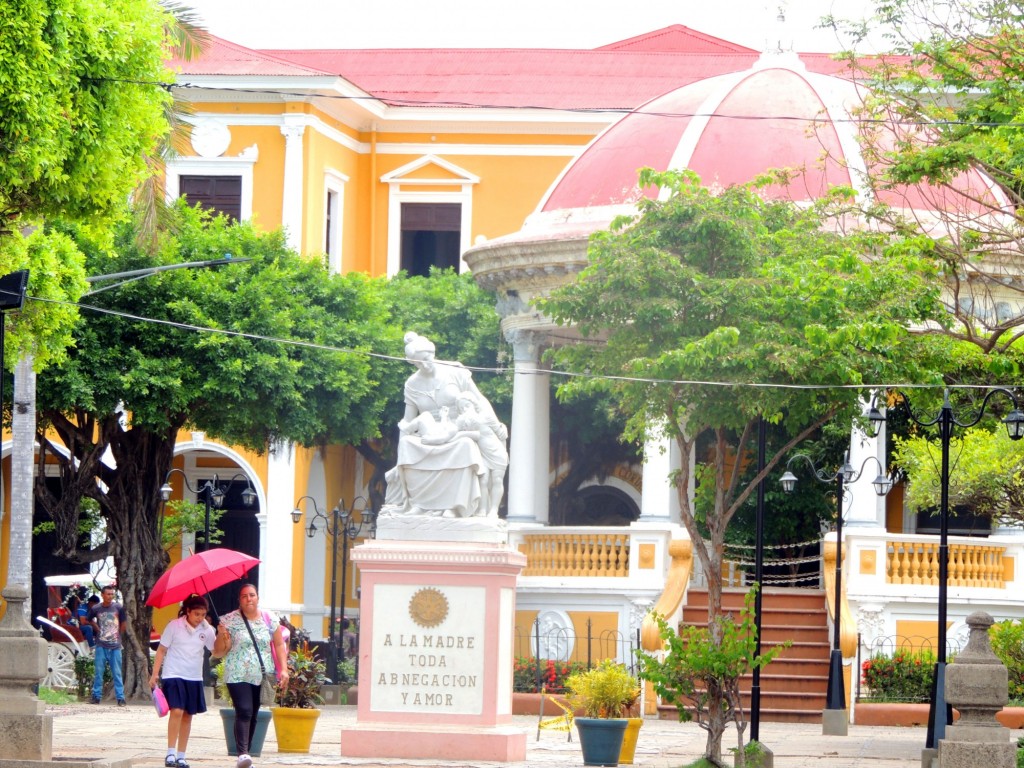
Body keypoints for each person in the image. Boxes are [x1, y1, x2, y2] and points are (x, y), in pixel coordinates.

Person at [381, 331, 505, 517]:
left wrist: (496, 426)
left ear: (433, 353)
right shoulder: (412, 384)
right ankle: (420, 504)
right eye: (418, 362)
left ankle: (455, 505)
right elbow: (408, 421)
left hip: (457, 429)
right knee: (407, 445)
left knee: (465, 446)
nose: (424, 364)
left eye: (426, 358)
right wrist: (401, 453)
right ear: (412, 363)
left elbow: (479, 400)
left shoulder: (455, 372)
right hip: (430, 432)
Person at [212, 584, 289, 768]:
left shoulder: (270, 619)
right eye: (244, 596)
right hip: (237, 673)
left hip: (261, 673)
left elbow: (279, 645)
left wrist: (284, 669)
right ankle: (243, 754)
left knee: (254, 713)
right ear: (239, 600)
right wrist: (221, 636)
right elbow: (219, 652)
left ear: (258, 598)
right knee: (244, 710)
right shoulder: (229, 620)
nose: (249, 599)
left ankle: (247, 754)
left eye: (252, 595)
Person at [149, 595, 216, 768]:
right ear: (187, 611)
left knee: (188, 715)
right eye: (196, 614)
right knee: (177, 711)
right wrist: (155, 674)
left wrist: (221, 634)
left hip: (194, 676)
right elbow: (162, 650)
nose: (199, 618)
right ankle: (170, 753)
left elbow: (215, 650)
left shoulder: (207, 629)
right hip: (173, 673)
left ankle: (181, 755)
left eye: (202, 614)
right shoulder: (174, 625)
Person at [454, 390, 509, 517]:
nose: (465, 410)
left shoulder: (486, 416)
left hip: (497, 453)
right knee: (482, 480)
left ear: (473, 404)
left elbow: (501, 434)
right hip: (482, 455)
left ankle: (494, 510)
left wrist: (503, 428)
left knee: (497, 480)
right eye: (462, 408)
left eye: (467, 405)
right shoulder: (464, 422)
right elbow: (452, 432)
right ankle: (482, 509)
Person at [87, 584, 127, 706]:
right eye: (108, 594)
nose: (110, 596)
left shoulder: (118, 608)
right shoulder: (96, 609)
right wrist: (97, 629)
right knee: (99, 671)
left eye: (112, 594)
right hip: (101, 644)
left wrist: (118, 635)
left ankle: (120, 698)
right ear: (102, 595)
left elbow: (124, 623)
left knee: (117, 672)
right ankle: (96, 696)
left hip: (115, 645)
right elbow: (88, 619)